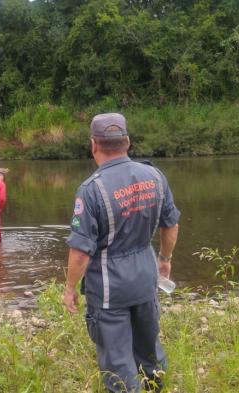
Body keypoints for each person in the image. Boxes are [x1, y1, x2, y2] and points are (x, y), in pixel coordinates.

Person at [63, 113, 180, 393]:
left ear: (93, 145)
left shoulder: (91, 190)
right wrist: (164, 259)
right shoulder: (155, 176)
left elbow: (80, 251)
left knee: (117, 362)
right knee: (149, 349)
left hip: (108, 287)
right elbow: (170, 224)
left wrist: (70, 287)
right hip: (145, 275)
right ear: (127, 142)